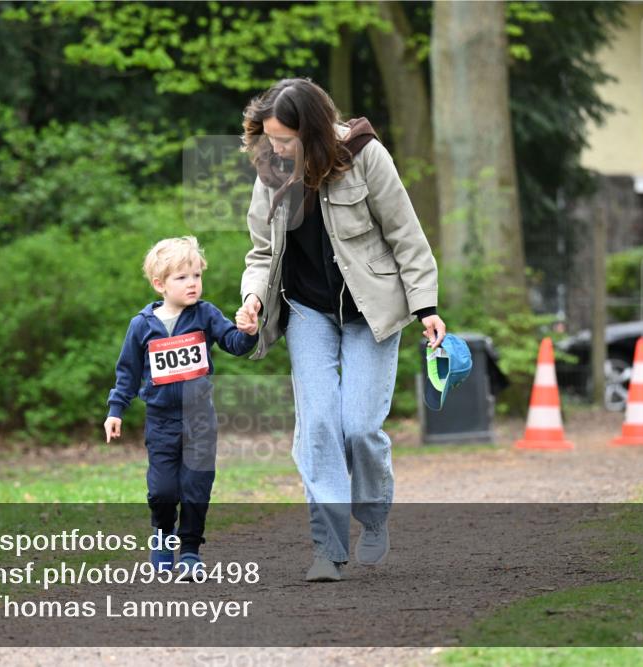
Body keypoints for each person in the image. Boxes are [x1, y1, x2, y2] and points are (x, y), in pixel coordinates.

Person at [233, 78, 446, 582]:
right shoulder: (270, 171)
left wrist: (427, 307)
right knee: (319, 424)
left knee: (359, 426)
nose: (276, 148)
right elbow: (262, 252)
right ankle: (326, 547)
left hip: (372, 310)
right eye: (270, 138)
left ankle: (372, 517)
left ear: (312, 129)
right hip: (307, 310)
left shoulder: (367, 156)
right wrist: (253, 297)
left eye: (285, 138)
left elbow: (406, 237)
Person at [105, 236, 258, 578]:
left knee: (195, 487)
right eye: (182, 278)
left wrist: (248, 331)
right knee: (162, 492)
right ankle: (162, 535)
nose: (192, 283)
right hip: (161, 422)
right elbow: (127, 372)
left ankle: (189, 551)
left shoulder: (205, 315)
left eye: (196, 276)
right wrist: (116, 411)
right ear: (160, 284)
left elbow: (234, 343)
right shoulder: (141, 326)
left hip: (200, 420)